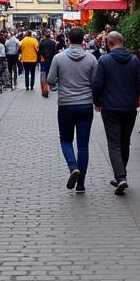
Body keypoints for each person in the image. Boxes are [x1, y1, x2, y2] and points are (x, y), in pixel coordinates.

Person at [92, 31, 140, 195]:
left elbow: (97, 84)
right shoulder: (134, 60)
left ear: (109, 44)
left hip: (110, 107)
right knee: (125, 142)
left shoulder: (104, 60)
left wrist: (97, 101)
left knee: (114, 143)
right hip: (129, 107)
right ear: (122, 42)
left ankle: (120, 176)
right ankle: (120, 175)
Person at [47, 26, 98, 191]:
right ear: (83, 40)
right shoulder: (91, 59)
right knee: (83, 145)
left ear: (68, 39)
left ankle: (72, 166)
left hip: (66, 105)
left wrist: (59, 85)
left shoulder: (59, 58)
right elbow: (96, 83)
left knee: (66, 140)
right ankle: (81, 183)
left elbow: (50, 80)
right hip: (85, 105)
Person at [37, 30, 58, 96]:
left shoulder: (41, 42)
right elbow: (55, 52)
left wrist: (39, 60)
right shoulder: (53, 43)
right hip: (51, 60)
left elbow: (39, 52)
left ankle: (44, 89)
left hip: (43, 60)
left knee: (43, 73)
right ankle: (48, 87)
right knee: (49, 73)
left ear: (44, 36)